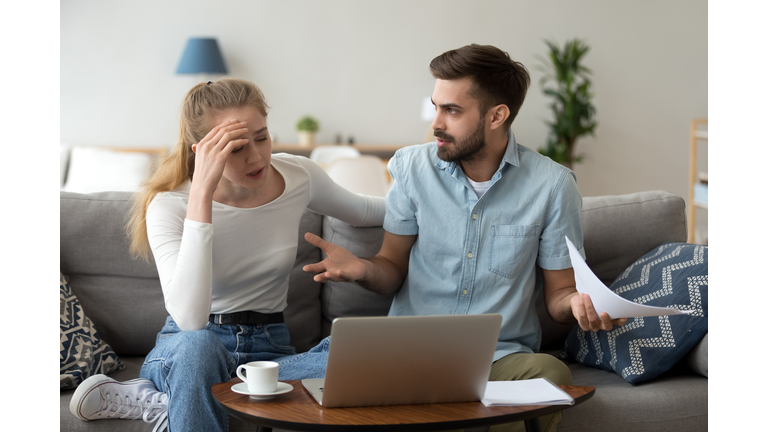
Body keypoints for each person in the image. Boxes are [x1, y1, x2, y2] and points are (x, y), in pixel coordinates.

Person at [301, 44, 627, 432]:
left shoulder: (553, 186)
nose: (437, 122)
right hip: (409, 354)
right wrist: (362, 270)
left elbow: (558, 294)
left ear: (497, 116)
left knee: (549, 371)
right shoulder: (411, 168)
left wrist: (576, 302)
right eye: (436, 106)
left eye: (451, 110)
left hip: (500, 359)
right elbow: (390, 268)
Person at [68, 78, 385, 432]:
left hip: (270, 350)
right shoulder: (170, 205)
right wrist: (202, 193)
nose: (256, 157)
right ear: (202, 151)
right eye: (235, 148)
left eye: (261, 137)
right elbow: (189, 320)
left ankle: (175, 401)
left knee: (355, 356)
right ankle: (198, 392)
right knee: (199, 347)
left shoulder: (297, 175)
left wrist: (436, 197)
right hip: (190, 349)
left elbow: (367, 211)